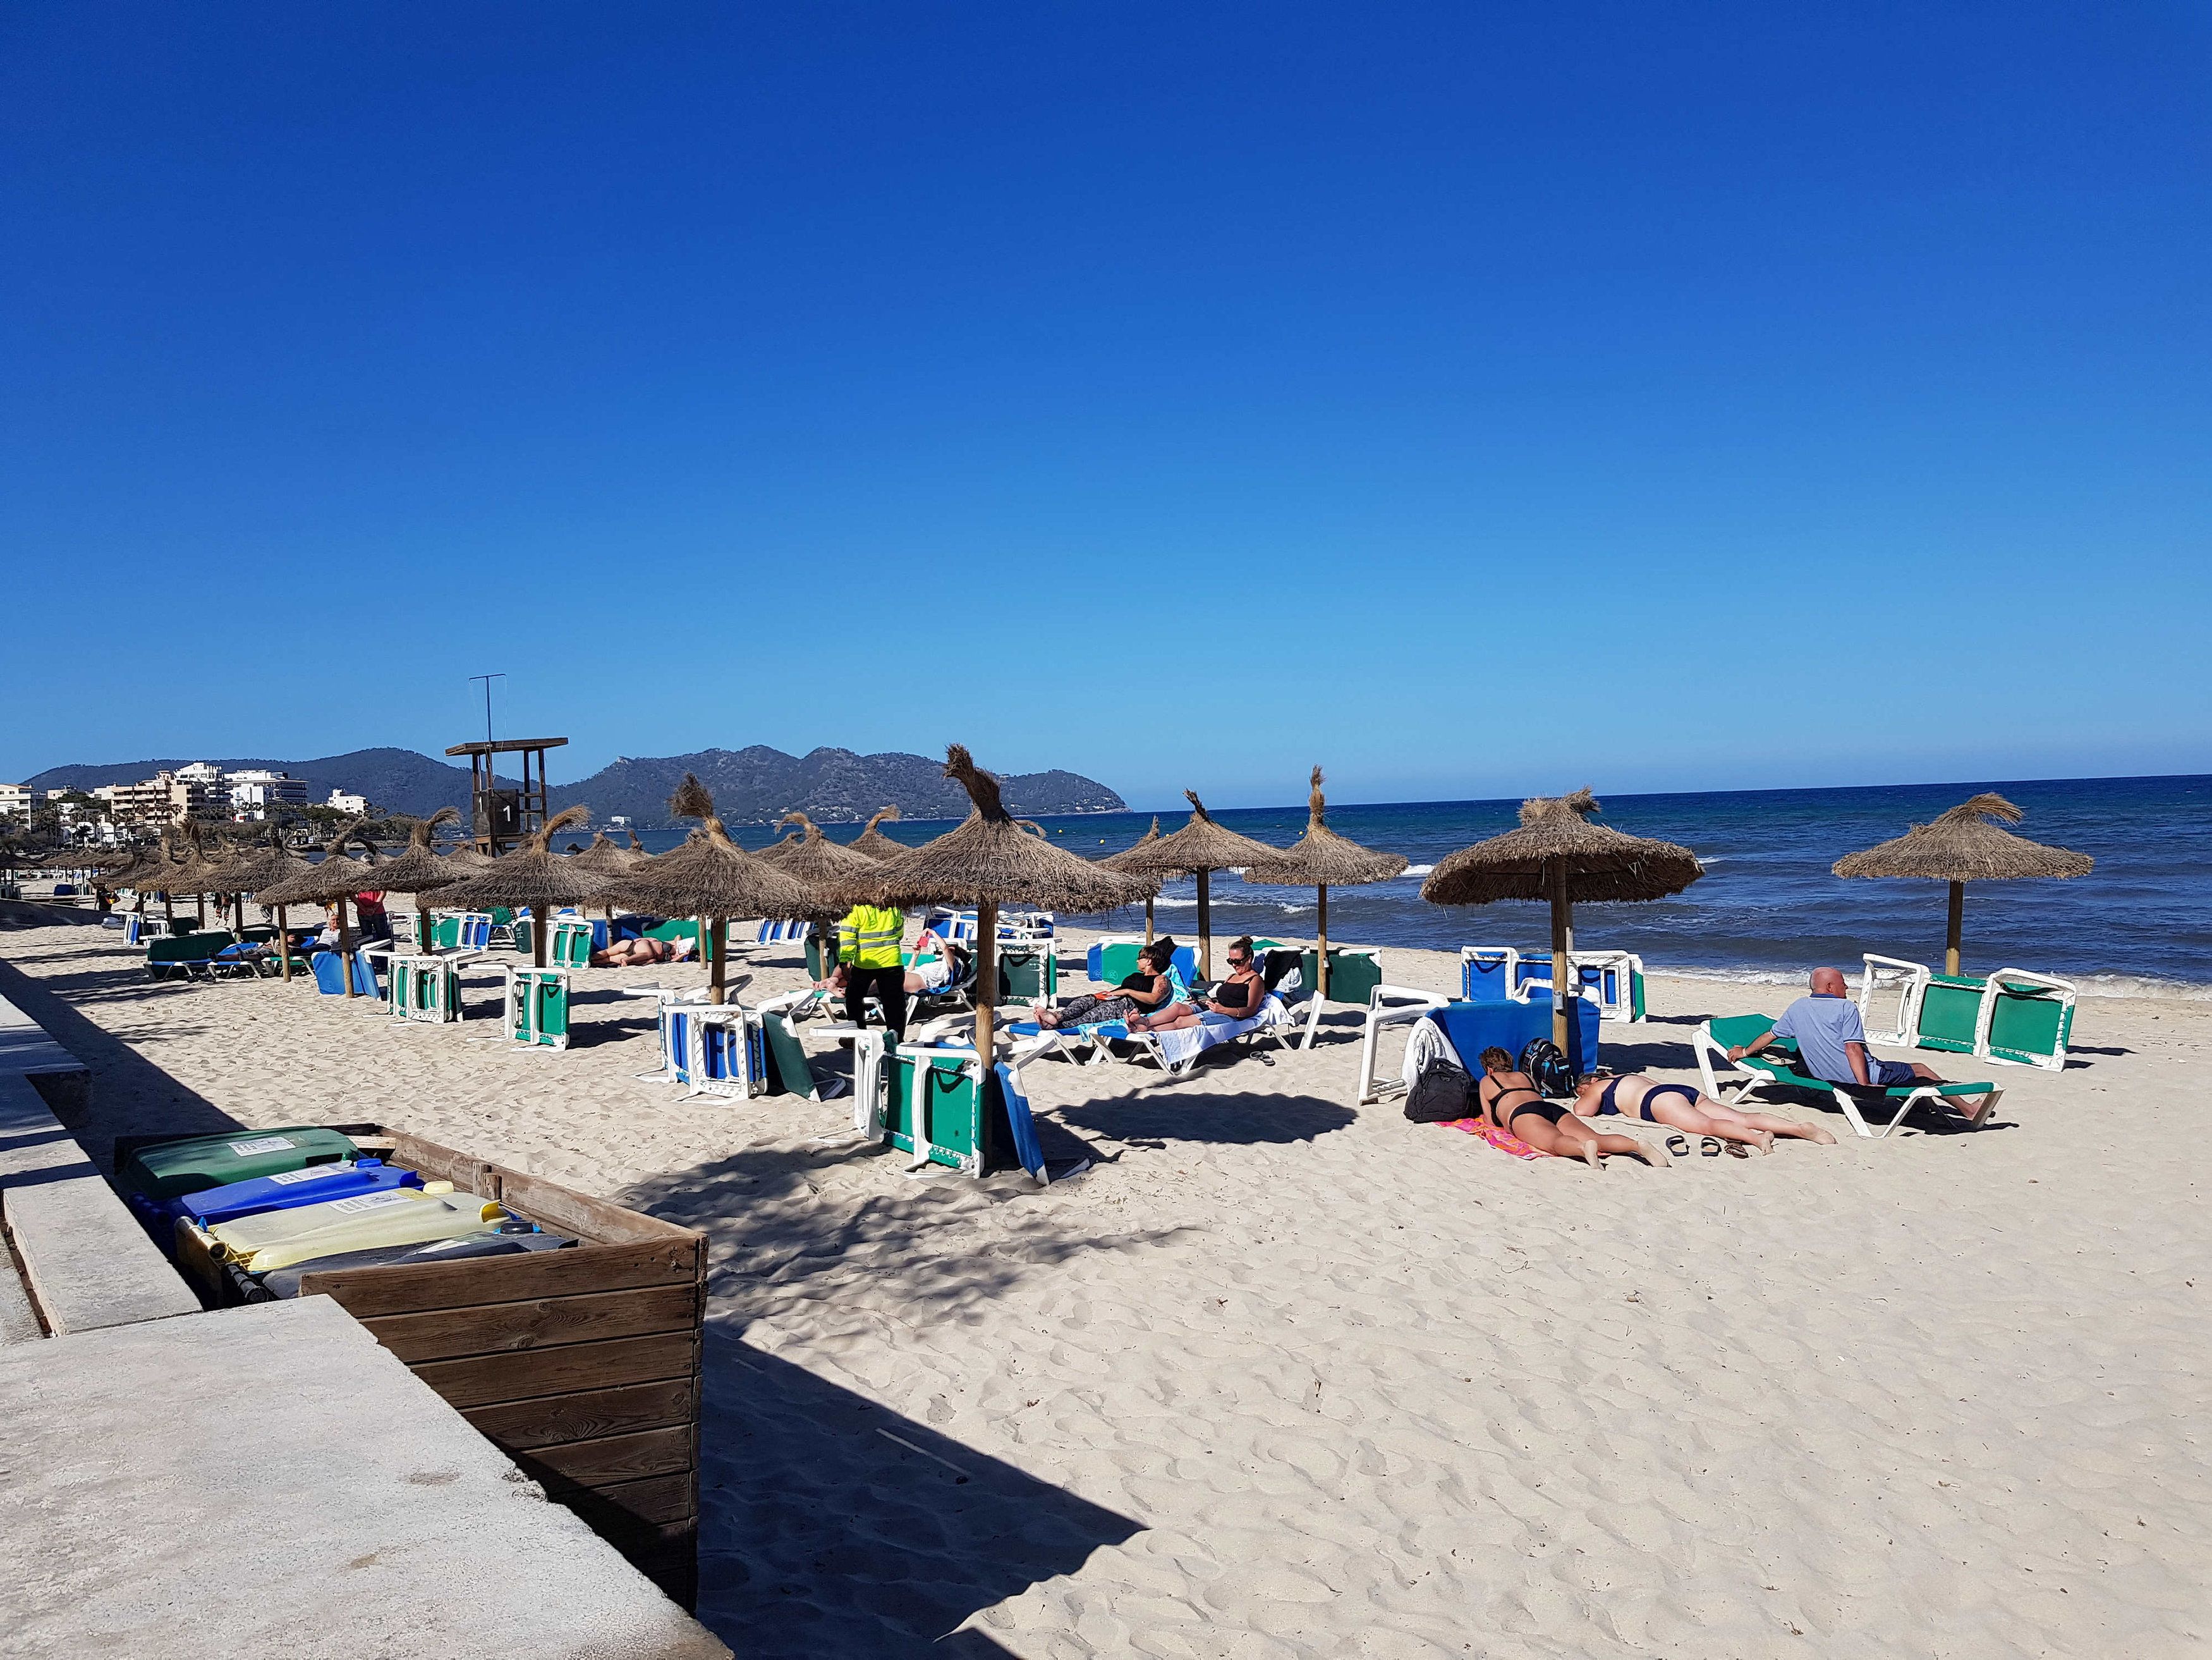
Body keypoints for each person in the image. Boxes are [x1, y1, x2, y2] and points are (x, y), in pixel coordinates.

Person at [1728, 967, 1991, 1126]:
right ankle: (1969, 1110)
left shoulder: (1798, 1007)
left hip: (1824, 1076)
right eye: (1843, 983)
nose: (1847, 987)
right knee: (1921, 1069)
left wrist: (1745, 1052)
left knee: (1905, 1073)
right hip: (1857, 1077)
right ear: (1831, 987)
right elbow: (1853, 1049)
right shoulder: (1845, 1007)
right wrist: (1864, 1086)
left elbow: (1770, 1035)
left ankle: (1919, 1106)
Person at [1476, 1047, 1664, 1168]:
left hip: (1524, 1115)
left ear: (1489, 1069)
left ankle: (1583, 1148)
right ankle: (1636, 1146)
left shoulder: (1487, 1081)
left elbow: (1492, 1122)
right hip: (1551, 1109)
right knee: (1597, 1137)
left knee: (1555, 1142)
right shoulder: (1527, 1077)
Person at [1569, 1070, 1838, 1154]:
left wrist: (1584, 1094)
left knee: (1709, 1126)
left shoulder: (1598, 1086)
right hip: (1678, 1090)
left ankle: (1757, 1139)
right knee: (1742, 1117)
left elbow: (1582, 1112)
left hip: (1656, 1102)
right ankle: (1800, 1130)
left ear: (1591, 1082)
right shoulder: (1627, 1075)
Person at [1126, 936, 1267, 1033]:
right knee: (1178, 1007)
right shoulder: (1231, 976)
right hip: (1213, 1007)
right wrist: (1202, 999)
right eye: (1230, 961)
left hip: (1230, 1016)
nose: (1234, 966)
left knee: (1182, 1021)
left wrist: (1223, 1010)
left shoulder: (1255, 981)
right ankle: (1145, 1021)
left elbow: (1250, 1010)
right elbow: (1224, 996)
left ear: (1249, 959)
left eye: (1237, 961)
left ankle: (1146, 1029)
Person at [1035, 938, 1179, 1029]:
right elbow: (1121, 990)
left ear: (1149, 961)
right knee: (1084, 1001)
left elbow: (1154, 999)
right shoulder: (1136, 975)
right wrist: (1105, 995)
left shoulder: (1161, 979)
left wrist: (1128, 992)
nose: (1137, 961)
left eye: (1140, 958)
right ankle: (1056, 1017)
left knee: (1091, 1016)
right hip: (1113, 998)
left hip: (1129, 1006)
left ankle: (1055, 1025)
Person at [829, 896, 908, 1042]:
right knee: (894, 1004)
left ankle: (858, 1036)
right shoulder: (893, 906)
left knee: (853, 1000)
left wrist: (845, 961)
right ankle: (897, 1040)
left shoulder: (856, 909)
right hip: (892, 961)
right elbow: (900, 934)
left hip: (865, 963)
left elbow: (848, 938)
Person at [593, 933, 698, 967]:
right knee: (607, 952)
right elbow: (678, 936)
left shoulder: (676, 957)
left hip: (638, 954)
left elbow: (673, 962)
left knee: (608, 959)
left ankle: (591, 962)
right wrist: (680, 946)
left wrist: (683, 955)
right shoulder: (674, 944)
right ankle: (589, 958)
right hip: (640, 946)